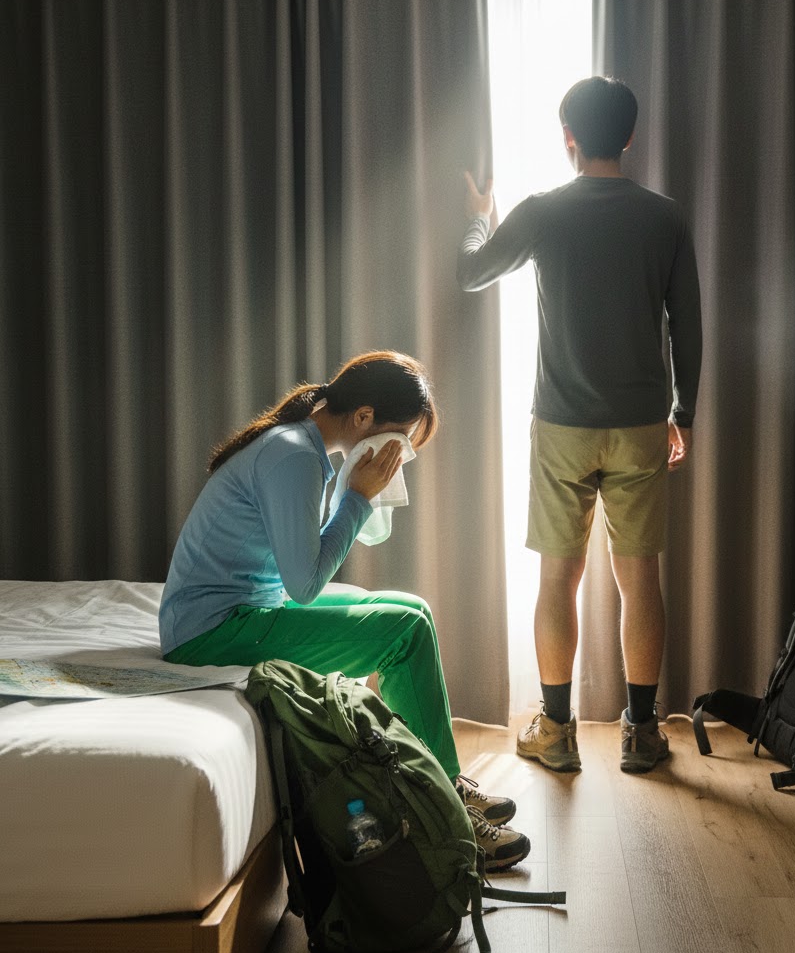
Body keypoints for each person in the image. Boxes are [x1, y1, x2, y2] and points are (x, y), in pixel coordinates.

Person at [159, 350, 530, 870]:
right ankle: (444, 810)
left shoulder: (300, 447)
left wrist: (354, 495)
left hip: (246, 606)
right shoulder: (293, 456)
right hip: (210, 631)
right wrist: (356, 497)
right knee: (404, 630)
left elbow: (297, 570)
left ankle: (441, 781)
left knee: (413, 611)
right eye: (400, 439)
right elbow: (306, 584)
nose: (400, 454)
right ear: (363, 417)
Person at [457, 77, 702, 775]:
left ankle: (558, 731)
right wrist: (683, 414)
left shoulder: (543, 212)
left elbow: (471, 272)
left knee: (557, 578)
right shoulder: (665, 218)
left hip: (562, 424)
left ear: (569, 138)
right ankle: (643, 733)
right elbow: (688, 326)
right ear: (629, 137)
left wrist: (479, 217)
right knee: (640, 579)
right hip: (640, 425)